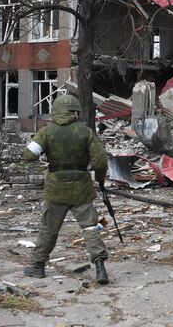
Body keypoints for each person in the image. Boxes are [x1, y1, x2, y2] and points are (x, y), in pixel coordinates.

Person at [22, 94, 110, 284]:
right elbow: (100, 161)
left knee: (49, 228)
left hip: (56, 189)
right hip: (81, 187)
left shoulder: (47, 132)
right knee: (90, 227)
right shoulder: (85, 132)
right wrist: (101, 181)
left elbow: (28, 155)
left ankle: (38, 266)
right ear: (75, 112)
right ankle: (100, 268)